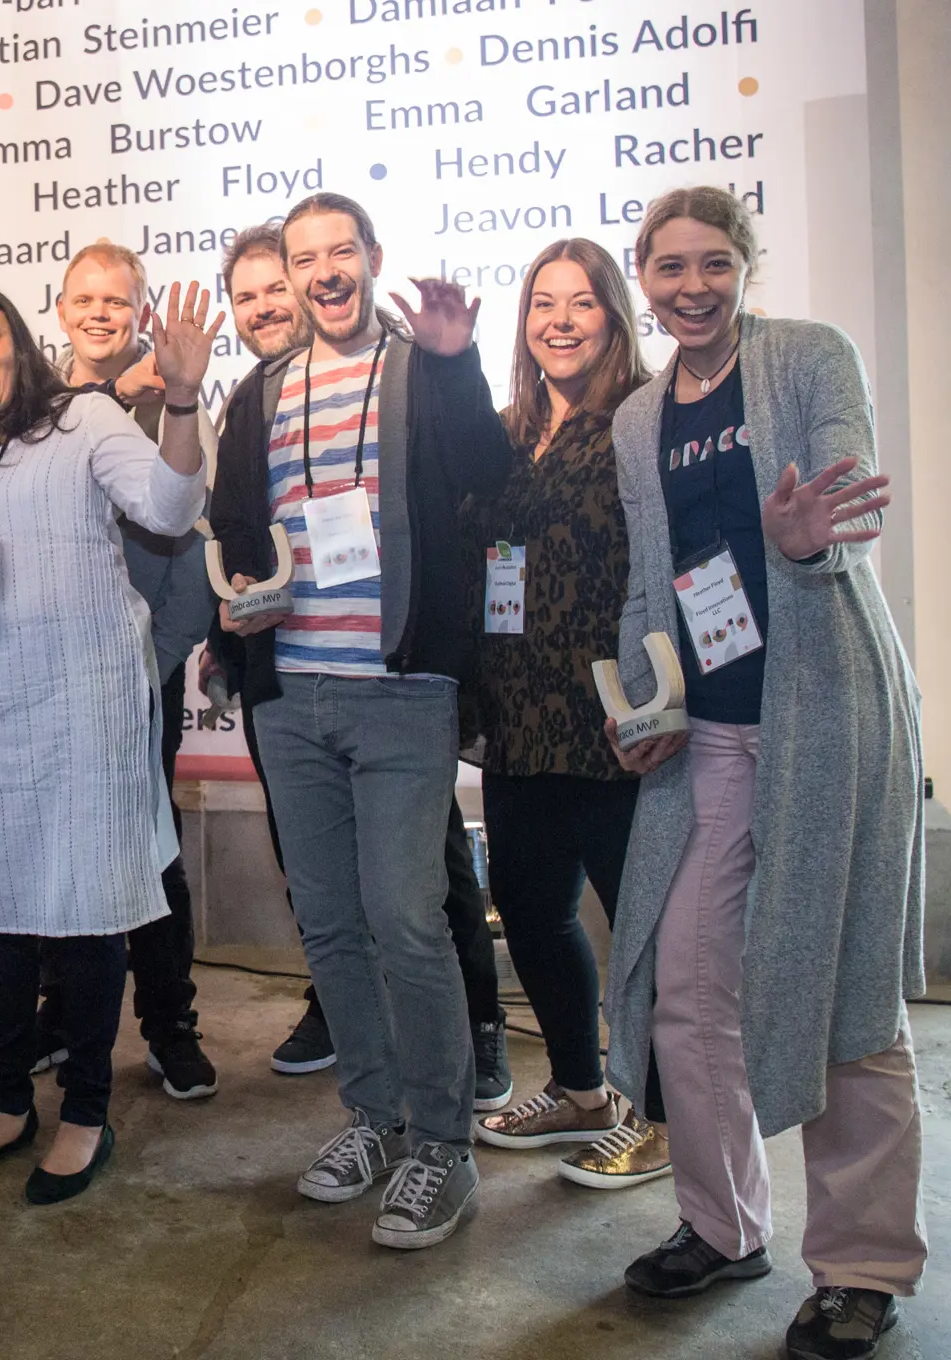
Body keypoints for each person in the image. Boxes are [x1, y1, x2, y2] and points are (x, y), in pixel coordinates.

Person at [602, 187, 926, 1360]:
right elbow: (653, 574)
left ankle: (861, 1268)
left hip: (827, 717)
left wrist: (809, 540)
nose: (692, 286)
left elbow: (845, 488)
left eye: (714, 263)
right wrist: (643, 702)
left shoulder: (809, 357)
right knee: (687, 985)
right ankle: (722, 1223)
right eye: (670, 267)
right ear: (643, 275)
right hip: (708, 737)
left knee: (843, 1000)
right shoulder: (640, 416)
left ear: (746, 266)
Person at [210, 192, 515, 1250]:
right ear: (286, 275)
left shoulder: (419, 370)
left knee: (407, 918)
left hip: (400, 693)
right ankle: (375, 1115)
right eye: (306, 257)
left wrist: (456, 359)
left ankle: (443, 1144)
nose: (326, 270)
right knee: (332, 924)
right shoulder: (260, 392)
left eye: (344, 251)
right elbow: (237, 527)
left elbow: (489, 482)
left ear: (371, 259)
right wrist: (235, 601)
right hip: (292, 694)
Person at [0, 281, 215, 1201]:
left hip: (83, 707)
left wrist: (188, 399)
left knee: (85, 908)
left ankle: (85, 1111)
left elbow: (167, 508)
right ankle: (8, 1100)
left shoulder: (83, 421)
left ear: (20, 345)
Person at [458, 238, 671, 1188]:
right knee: (539, 916)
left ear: (613, 315)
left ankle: (666, 1118)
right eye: (544, 302)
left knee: (646, 926)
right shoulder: (504, 431)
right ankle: (582, 1092)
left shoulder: (644, 418)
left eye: (581, 303)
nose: (560, 320)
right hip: (519, 718)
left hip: (619, 717)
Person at [50, 241, 220, 1101]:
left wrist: (148, 667)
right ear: (59, 309)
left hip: (135, 681)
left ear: (140, 313)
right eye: (84, 298)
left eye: (117, 301)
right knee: (53, 846)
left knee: (151, 853)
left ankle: (170, 1025)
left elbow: (193, 550)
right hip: (44, 678)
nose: (99, 313)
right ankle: (58, 1015)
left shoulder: (177, 408)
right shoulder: (32, 403)